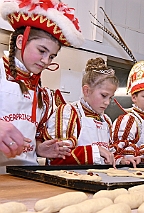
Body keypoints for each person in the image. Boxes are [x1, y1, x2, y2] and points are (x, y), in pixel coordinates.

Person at [0, 0, 84, 168]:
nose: (46, 61)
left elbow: (31, 135)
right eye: (42, 51)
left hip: (26, 175)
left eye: (52, 56)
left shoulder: (41, 92)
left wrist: (39, 149)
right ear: (20, 42)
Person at [44, 57, 126, 166]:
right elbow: (57, 157)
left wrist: (121, 160)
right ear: (86, 91)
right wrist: (96, 151)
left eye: (110, 98)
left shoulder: (106, 120)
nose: (107, 102)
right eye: (104, 96)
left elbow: (109, 153)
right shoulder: (69, 113)